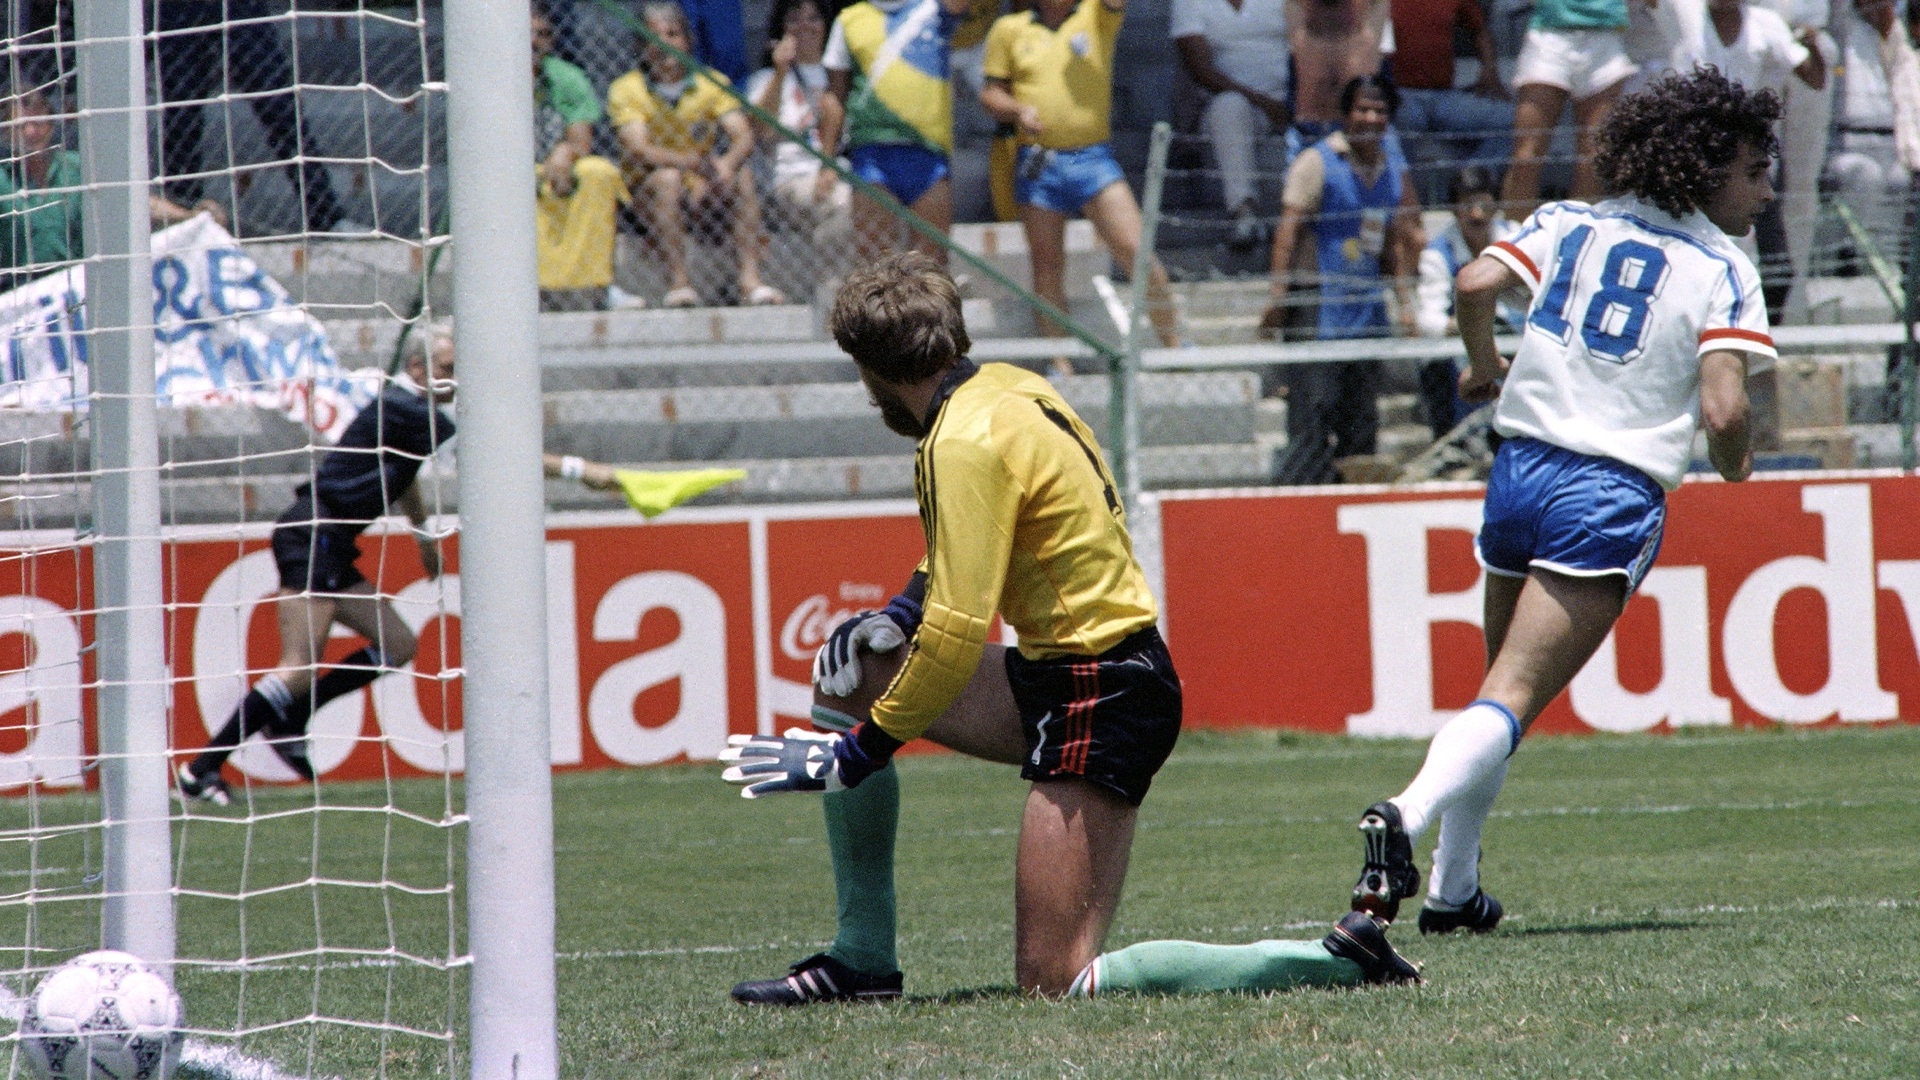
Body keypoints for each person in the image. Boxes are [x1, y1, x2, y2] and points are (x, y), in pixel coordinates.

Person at [1348, 68, 1773, 933]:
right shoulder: (1722, 267)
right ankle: (1405, 813)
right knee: (1509, 697)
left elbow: (1473, 286)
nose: (1767, 192)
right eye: (1755, 173)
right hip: (1607, 488)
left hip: (1520, 469)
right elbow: (1726, 408)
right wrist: (1735, 462)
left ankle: (1453, 890)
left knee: (1496, 694)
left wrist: (1480, 366)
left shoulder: (1567, 220)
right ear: (1705, 171)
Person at [719, 252, 1183, 1000]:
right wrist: (897, 612)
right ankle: (862, 960)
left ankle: (1331, 958)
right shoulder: (1009, 386)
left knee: (1054, 981)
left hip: (1105, 694)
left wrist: (856, 755)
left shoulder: (956, 442)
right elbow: (967, 555)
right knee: (856, 671)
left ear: (873, 370)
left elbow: (953, 640)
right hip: (1062, 674)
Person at [175, 328, 622, 804]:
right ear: (417, 370)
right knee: (297, 666)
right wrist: (582, 471)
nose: (457, 380)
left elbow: (402, 474)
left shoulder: (409, 415)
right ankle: (201, 768)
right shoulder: (409, 409)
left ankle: (293, 717)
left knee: (398, 644)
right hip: (313, 535)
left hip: (330, 540)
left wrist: (421, 532)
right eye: (449, 370)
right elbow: (496, 455)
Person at [979, 0, 1183, 352]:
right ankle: (1061, 363)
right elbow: (990, 92)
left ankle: (1176, 345)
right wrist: (1017, 110)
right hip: (1039, 160)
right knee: (1046, 268)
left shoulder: (1095, 14)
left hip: (1093, 158)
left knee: (1138, 252)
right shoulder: (1010, 28)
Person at [1259, 75, 1423, 483]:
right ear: (1346, 115)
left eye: (1380, 109)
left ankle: (1354, 498)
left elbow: (1390, 243)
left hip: (1365, 305)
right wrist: (1279, 297)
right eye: (1362, 108)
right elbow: (1288, 230)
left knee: (1360, 416)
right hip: (1316, 303)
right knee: (1313, 412)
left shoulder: (1390, 170)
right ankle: (1304, 504)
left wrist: (1403, 303)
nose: (1371, 117)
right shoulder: (1317, 162)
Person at [612, 1, 785, 308]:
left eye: (673, 34)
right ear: (641, 45)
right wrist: (690, 164)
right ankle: (679, 285)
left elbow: (742, 135)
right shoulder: (627, 88)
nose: (664, 44)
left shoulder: (711, 82)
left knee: (742, 177)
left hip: (702, 184)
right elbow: (638, 148)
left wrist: (726, 166)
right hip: (645, 193)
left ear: (688, 42)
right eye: (653, 36)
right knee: (668, 180)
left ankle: (750, 281)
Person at [150, 0, 361, 236]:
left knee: (279, 106)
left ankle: (326, 218)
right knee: (181, 112)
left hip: (240, 8)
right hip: (180, 9)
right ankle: (184, 221)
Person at [2, 89, 229, 290]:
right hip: (20, 294)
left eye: (38, 123)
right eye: (20, 127)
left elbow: (133, 203)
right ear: (4, 134)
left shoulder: (79, 168)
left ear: (52, 125)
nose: (31, 133)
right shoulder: (3, 178)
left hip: (79, 287)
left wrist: (189, 217)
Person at [1686, 0, 1825, 318]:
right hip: (1696, 161)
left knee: (1776, 268)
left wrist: (1813, 45)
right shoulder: (1685, 13)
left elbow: (1814, 78)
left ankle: (1760, 333)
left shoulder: (1766, 24)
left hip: (1748, 164)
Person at [818, 0, 976, 262]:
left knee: (931, 265)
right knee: (875, 265)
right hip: (871, 152)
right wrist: (826, 162)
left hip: (927, 152)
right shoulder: (849, 19)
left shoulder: (935, 8)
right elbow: (835, 95)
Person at [530, 7, 639, 313]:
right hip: (507, 170)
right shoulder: (489, 83)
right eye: (526, 34)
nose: (533, 42)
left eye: (542, 35)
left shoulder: (567, 77)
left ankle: (601, 286)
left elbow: (581, 140)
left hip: (554, 167)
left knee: (598, 172)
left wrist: (564, 152)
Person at [1170, 0, 1293, 249]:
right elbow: (1199, 69)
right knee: (1229, 105)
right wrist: (1263, 103)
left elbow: (1307, 39)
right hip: (1230, 109)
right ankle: (1244, 216)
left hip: (1289, 101)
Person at [1497, 0, 1637, 219]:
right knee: (1526, 155)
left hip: (1605, 36)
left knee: (1594, 157)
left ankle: (1578, 239)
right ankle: (1517, 240)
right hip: (1549, 33)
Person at [1414, 165, 1521, 439]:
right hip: (1461, 355)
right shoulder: (1438, 254)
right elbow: (1428, 320)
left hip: (1517, 349)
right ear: (1454, 209)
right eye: (1467, 205)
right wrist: (1474, 324)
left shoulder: (1517, 238)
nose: (1476, 214)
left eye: (1484, 205)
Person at [746, 0, 854, 254]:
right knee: (845, 202)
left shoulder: (843, 78)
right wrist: (780, 72)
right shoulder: (764, 80)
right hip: (789, 179)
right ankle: (831, 287)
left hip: (841, 173)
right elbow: (759, 130)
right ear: (780, 28)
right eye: (794, 19)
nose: (805, 26)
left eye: (814, 18)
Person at [1389, 0, 1514, 203]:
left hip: (1444, 96)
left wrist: (1489, 72)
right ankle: (1403, 210)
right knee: (1396, 134)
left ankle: (1466, 190)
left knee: (1510, 120)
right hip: (1401, 96)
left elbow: (1480, 29)